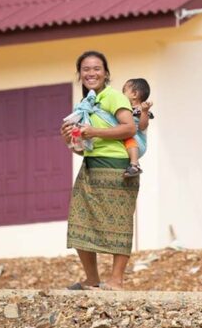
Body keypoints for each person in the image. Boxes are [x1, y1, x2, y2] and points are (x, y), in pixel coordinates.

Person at [60, 50, 138, 291]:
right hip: (90, 167)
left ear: (106, 73)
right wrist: (69, 141)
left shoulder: (114, 97)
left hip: (117, 168)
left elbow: (130, 128)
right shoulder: (84, 106)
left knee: (119, 223)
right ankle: (92, 279)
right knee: (79, 220)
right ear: (79, 74)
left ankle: (117, 280)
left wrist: (93, 131)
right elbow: (84, 149)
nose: (91, 73)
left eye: (96, 68)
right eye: (86, 69)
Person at [121, 78, 154, 178]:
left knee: (128, 136)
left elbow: (143, 126)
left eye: (124, 91)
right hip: (130, 141)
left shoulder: (141, 109)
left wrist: (144, 112)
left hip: (139, 142)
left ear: (134, 94)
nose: (121, 95)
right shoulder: (127, 108)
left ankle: (135, 166)